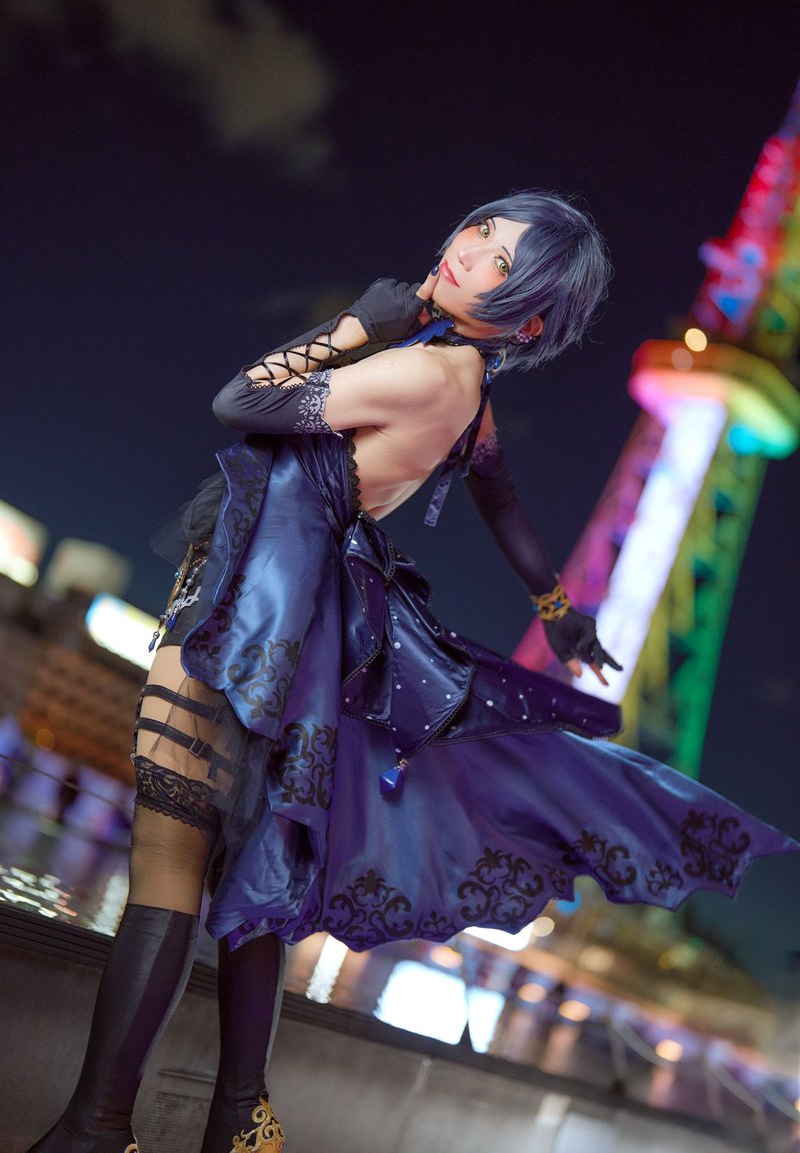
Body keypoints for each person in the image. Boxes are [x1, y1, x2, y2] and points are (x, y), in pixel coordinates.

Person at [25, 191, 798, 1153]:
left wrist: (359, 321)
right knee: (254, 868)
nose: (467, 248)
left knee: (170, 865)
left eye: (499, 258)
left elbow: (243, 400)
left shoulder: (423, 369)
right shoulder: (465, 389)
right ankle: (237, 1121)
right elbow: (501, 500)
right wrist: (557, 613)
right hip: (302, 618)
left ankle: (98, 1129)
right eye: (481, 228)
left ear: (528, 318)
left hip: (257, 617)